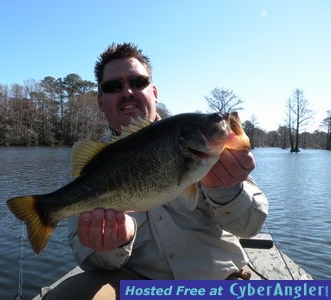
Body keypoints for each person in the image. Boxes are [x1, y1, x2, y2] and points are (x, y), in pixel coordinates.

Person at [43, 43, 268, 299]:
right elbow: (91, 262)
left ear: (154, 91)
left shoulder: (214, 150)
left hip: (217, 283)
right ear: (100, 101)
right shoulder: (93, 167)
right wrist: (115, 244)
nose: (127, 91)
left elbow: (251, 225)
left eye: (138, 81)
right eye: (113, 86)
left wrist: (227, 189)